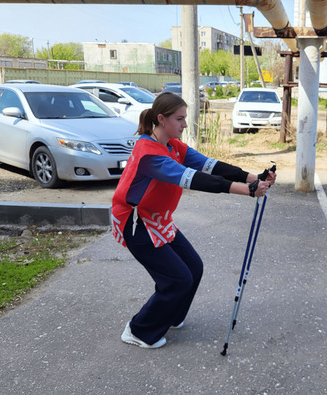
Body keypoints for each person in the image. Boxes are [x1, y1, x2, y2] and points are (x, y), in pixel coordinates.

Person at [111, 91, 276, 349]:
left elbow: (210, 166)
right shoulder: (149, 154)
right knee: (178, 279)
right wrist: (247, 191)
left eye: (185, 118)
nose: (185, 124)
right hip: (135, 223)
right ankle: (139, 330)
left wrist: (253, 177)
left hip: (157, 218)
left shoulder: (173, 146)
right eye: (180, 119)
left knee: (193, 268)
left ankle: (169, 316)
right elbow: (195, 179)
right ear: (162, 119)